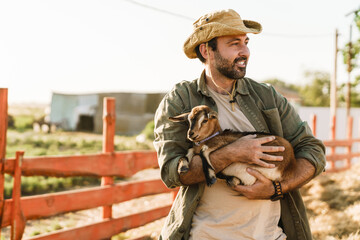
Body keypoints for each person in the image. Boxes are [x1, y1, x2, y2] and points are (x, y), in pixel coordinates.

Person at [154, 9, 326, 240]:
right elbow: (171, 171)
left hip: (271, 235)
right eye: (234, 44)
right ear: (207, 50)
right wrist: (232, 153)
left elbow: (314, 151)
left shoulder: (267, 97)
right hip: (205, 235)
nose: (245, 51)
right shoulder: (181, 99)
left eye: (246, 43)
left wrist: (277, 188)